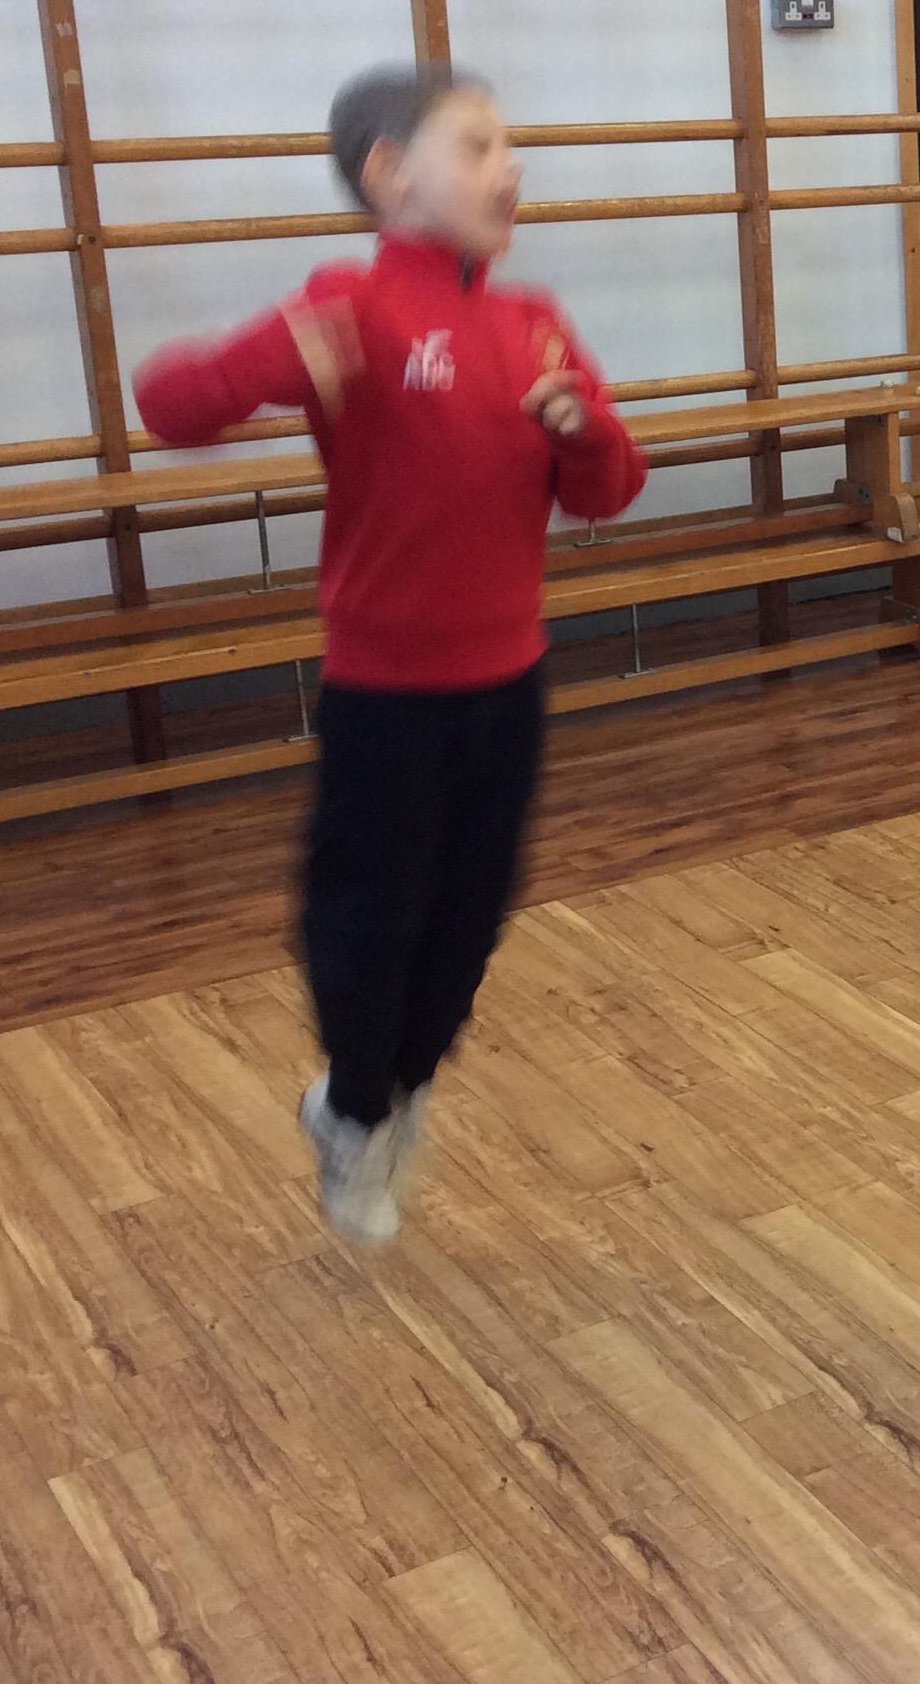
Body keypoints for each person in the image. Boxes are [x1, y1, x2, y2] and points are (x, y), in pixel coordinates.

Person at [134, 63, 647, 1243]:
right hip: (385, 700)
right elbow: (171, 403)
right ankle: (356, 1106)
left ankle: (389, 1094)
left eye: (509, 146)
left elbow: (607, 493)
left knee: (468, 922)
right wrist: (270, 362)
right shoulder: (352, 304)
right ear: (389, 175)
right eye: (478, 145)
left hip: (508, 688)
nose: (510, 167)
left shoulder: (533, 323)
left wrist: (585, 431)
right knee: (371, 917)